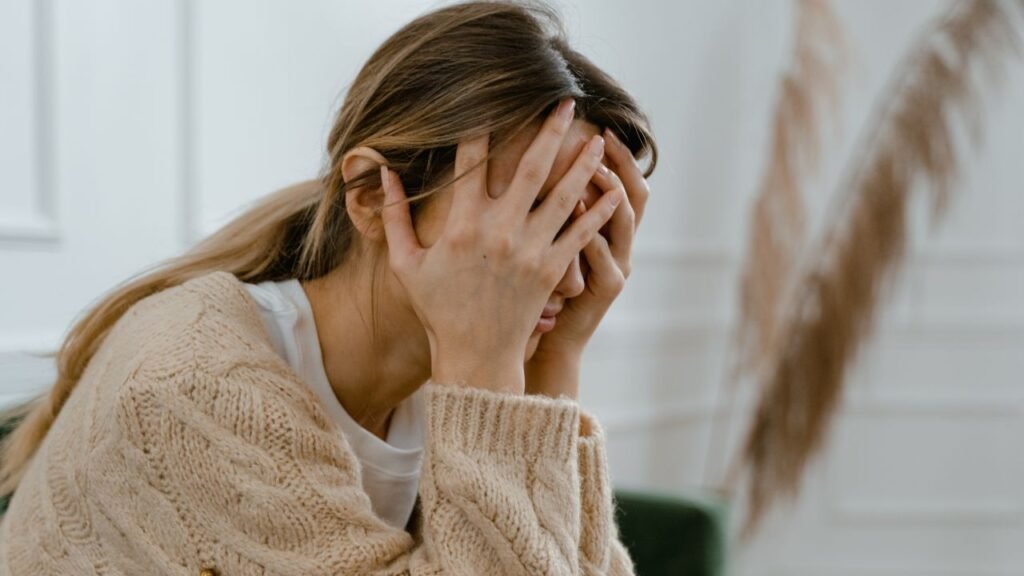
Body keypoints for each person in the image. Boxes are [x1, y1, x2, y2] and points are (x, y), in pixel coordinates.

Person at [0, 1, 657, 573]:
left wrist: (553, 362)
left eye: (585, 231)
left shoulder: (454, 368)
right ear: (372, 197)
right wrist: (498, 373)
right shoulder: (194, 386)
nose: (563, 273)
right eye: (524, 218)